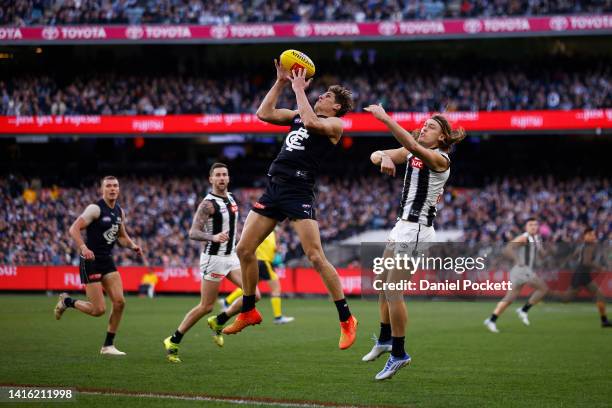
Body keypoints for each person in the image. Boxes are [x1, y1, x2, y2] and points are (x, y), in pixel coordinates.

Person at [222, 62, 357, 350]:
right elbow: (264, 113)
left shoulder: (334, 125)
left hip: (299, 190)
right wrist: (282, 82)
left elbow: (311, 123)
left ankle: (346, 319)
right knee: (244, 250)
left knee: (315, 257)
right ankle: (248, 310)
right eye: (320, 95)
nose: (320, 96)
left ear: (336, 108)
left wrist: (298, 90)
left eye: (326, 98)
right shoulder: (299, 114)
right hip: (275, 187)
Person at [364, 105, 465, 380]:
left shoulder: (440, 159)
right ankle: (385, 339)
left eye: (431, 127)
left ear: (443, 138)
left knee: (394, 291)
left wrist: (385, 118)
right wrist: (382, 157)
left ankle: (399, 354)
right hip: (402, 227)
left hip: (417, 231)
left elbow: (408, 144)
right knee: (383, 286)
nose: (423, 128)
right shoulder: (412, 150)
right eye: (423, 124)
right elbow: (377, 155)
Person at [162, 163, 260, 363]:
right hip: (214, 259)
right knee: (206, 306)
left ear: (228, 178)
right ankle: (173, 339)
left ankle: (219, 320)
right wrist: (213, 237)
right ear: (211, 179)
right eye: (218, 175)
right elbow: (193, 233)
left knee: (254, 294)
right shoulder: (207, 204)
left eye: (224, 174)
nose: (222, 178)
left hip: (231, 256)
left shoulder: (231, 198)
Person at [55, 175, 142, 356]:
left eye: (115, 186)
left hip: (106, 260)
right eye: (109, 186)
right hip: (91, 261)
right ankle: (67, 301)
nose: (112, 189)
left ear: (119, 189)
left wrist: (133, 245)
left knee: (119, 302)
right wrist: (83, 247)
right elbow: (74, 229)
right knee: (98, 310)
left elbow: (122, 236)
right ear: (103, 189)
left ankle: (108, 346)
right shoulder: (95, 209)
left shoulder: (119, 211)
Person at [484, 218, 548, 333]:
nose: (533, 227)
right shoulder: (524, 238)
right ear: (526, 227)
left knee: (509, 299)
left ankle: (491, 319)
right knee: (543, 288)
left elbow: (543, 255)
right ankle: (523, 310)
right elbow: (508, 248)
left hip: (522, 271)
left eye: (535, 225)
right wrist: (517, 259)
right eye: (530, 225)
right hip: (522, 270)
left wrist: (540, 247)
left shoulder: (536, 239)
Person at [221, 230, 294, 324]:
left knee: (250, 287)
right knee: (276, 289)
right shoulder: (266, 230)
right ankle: (278, 317)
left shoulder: (268, 231)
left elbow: (270, 247)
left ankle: (227, 301)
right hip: (264, 262)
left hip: (259, 262)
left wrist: (276, 249)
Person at [555, 228, 611, 328]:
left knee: (600, 295)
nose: (593, 236)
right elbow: (586, 262)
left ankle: (604, 321)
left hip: (583, 273)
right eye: (590, 235)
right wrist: (600, 267)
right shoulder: (589, 246)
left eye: (594, 234)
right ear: (585, 236)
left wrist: (565, 261)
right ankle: (545, 293)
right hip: (581, 274)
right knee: (566, 298)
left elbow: (575, 255)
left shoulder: (583, 245)